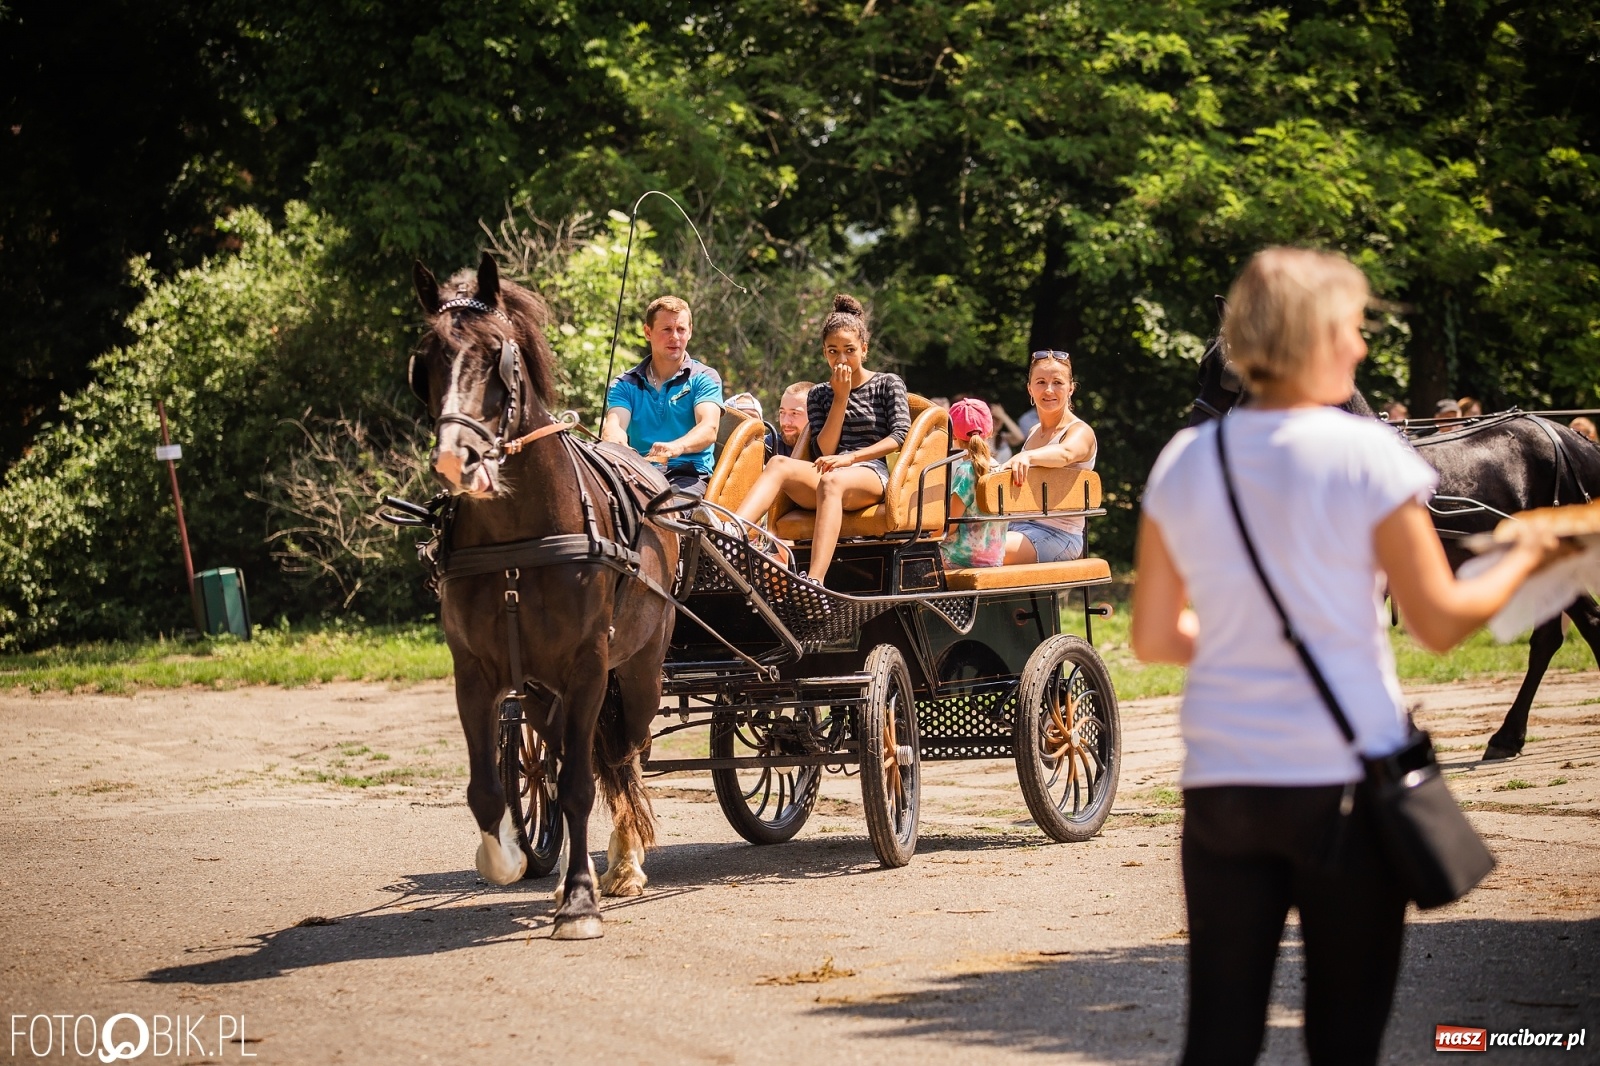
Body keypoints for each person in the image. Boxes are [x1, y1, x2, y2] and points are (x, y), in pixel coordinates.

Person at [1130, 247, 1562, 1066]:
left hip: (1222, 788)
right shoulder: (1369, 456)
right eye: (1351, 329)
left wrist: (1238, 646)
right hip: (1344, 790)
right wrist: (1529, 558)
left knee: (1217, 1042)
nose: (1361, 348)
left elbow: (1153, 637)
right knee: (1344, 1044)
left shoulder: (1186, 461)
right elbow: (1436, 622)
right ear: (1311, 337)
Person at [734, 294, 910, 586]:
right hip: (829, 467)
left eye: (849, 350)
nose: (841, 359)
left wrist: (851, 458)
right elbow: (825, 449)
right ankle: (733, 531)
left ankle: (814, 580)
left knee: (832, 481)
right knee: (779, 462)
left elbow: (900, 436)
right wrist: (840, 398)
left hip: (869, 473)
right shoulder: (819, 394)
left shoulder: (887, 383)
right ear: (824, 352)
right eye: (833, 351)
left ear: (864, 349)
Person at [601, 296, 723, 496]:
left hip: (688, 475)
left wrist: (676, 447)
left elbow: (709, 429)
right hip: (637, 472)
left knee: (668, 518)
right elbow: (614, 425)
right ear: (648, 332)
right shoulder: (624, 384)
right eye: (666, 329)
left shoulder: (704, 378)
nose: (675, 337)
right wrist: (616, 441)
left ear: (690, 331)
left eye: (681, 329)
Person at [1000, 350, 1097, 564]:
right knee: (954, 544)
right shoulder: (1034, 431)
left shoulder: (1080, 431)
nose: (1049, 390)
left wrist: (1026, 457)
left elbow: (1066, 453)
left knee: (987, 551)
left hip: (1059, 535)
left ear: (1071, 388)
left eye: (1058, 382)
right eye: (1041, 382)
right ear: (1030, 389)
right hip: (1016, 526)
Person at [940, 398, 1007, 569]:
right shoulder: (999, 469)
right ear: (990, 431)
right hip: (995, 559)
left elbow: (950, 526)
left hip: (958, 559)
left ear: (953, 435)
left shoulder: (965, 471)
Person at [766, 381, 813, 459]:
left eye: (794, 413)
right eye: (782, 412)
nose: (786, 422)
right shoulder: (771, 444)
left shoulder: (828, 447)